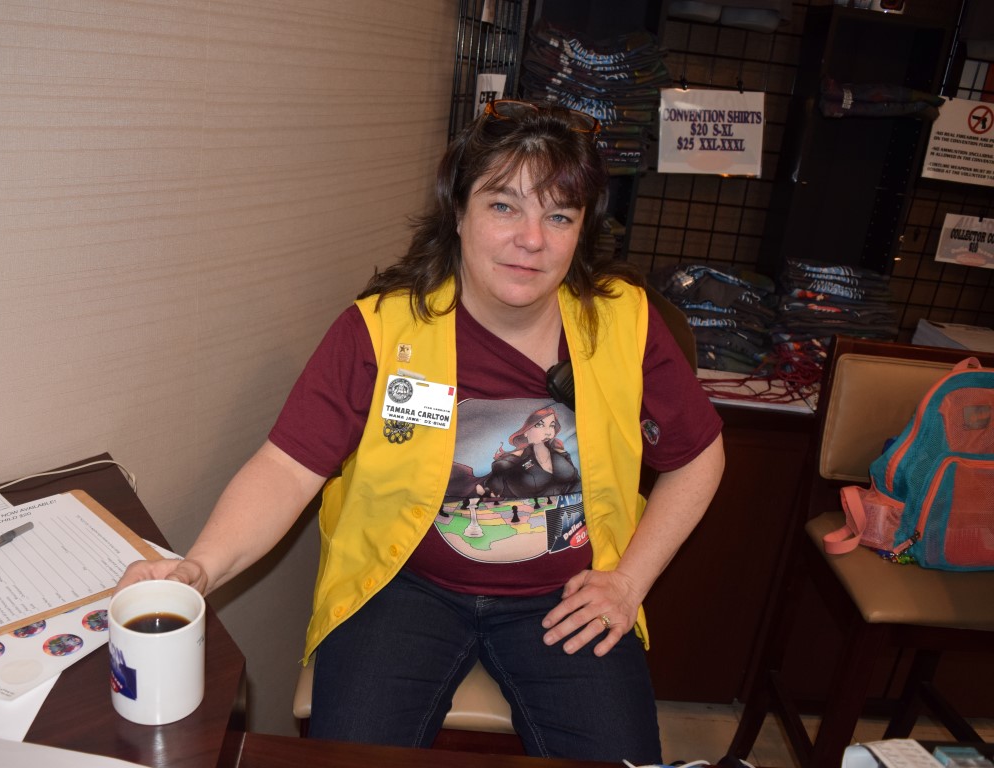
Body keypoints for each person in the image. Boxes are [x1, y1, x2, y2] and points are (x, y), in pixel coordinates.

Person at [117, 99, 725, 762]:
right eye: (504, 206)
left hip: (565, 596)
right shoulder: (381, 328)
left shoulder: (625, 323)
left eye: (559, 216)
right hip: (402, 589)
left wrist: (628, 582)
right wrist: (201, 566)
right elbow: (287, 467)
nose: (532, 239)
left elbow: (699, 457)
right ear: (458, 211)